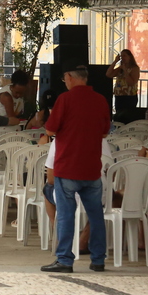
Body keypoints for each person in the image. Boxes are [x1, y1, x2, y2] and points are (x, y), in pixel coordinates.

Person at [41, 65, 111, 273]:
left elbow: (50, 129)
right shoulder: (100, 100)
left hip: (68, 166)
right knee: (95, 215)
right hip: (92, 167)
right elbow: (105, 133)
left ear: (69, 76)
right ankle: (98, 259)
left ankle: (64, 259)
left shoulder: (65, 99)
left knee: (66, 214)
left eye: (64, 78)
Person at [106, 49, 140, 115]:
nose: (122, 58)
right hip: (119, 96)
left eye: (124, 56)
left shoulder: (135, 68)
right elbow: (108, 74)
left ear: (130, 57)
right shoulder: (120, 68)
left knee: (128, 115)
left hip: (129, 96)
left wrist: (125, 70)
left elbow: (131, 83)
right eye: (121, 56)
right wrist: (115, 61)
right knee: (119, 114)